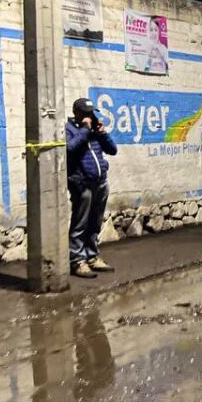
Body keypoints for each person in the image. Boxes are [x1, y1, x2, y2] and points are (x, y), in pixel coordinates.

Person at [65, 98, 119, 278]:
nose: (90, 116)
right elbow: (70, 149)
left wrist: (102, 133)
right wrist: (85, 130)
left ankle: (92, 256)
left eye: (91, 112)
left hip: (100, 182)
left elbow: (112, 150)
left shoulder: (94, 130)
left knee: (95, 222)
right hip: (82, 183)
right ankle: (77, 261)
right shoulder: (69, 129)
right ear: (77, 113)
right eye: (86, 113)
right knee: (80, 223)